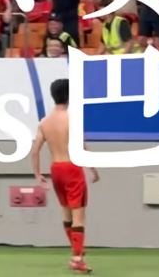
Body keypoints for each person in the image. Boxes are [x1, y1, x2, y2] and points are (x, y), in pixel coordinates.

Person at [32, 79, 99, 274]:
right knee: (79, 214)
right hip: (72, 167)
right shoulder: (73, 120)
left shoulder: (44, 122)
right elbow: (83, 148)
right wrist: (93, 170)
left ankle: (76, 251)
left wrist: (38, 174)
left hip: (56, 169)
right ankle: (77, 258)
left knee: (66, 211)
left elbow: (35, 151)